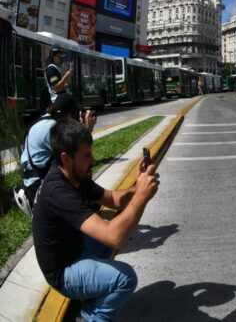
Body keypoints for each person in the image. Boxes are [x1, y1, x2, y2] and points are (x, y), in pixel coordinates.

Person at [33, 117, 159, 321]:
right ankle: (89, 317)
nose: (93, 160)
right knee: (125, 278)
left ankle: (93, 293)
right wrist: (142, 197)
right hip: (64, 273)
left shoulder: (74, 175)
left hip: (77, 250)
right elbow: (115, 237)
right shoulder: (58, 191)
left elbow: (114, 199)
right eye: (86, 155)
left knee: (117, 223)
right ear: (66, 158)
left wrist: (138, 185)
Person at [14, 94, 96, 217]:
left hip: (32, 185)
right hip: (39, 190)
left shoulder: (42, 121)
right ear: (69, 115)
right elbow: (78, 156)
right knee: (78, 169)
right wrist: (86, 130)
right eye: (75, 115)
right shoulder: (53, 128)